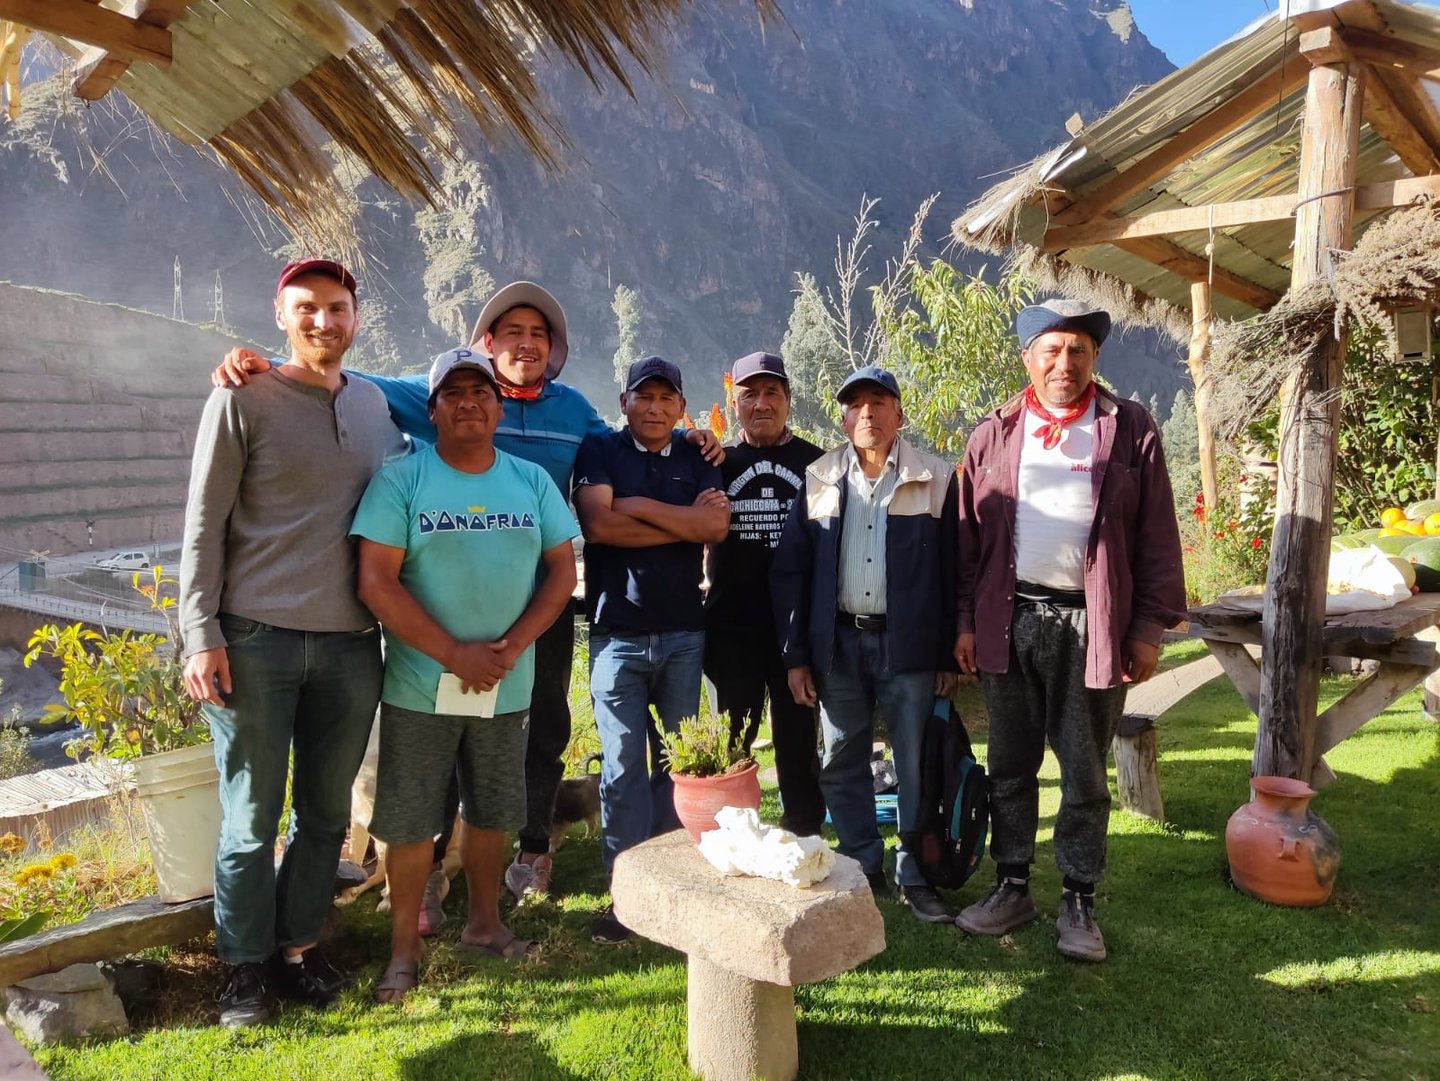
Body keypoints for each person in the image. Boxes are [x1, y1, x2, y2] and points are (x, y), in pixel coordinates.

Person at [211, 282, 720, 904]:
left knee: (543, 727)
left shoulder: (573, 412)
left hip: (540, 606)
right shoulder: (445, 393)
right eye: (513, 333)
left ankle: (533, 849)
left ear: (553, 348)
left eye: (539, 335)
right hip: (441, 609)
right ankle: (429, 866)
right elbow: (342, 376)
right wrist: (265, 362)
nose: (527, 345)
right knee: (438, 735)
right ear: (486, 344)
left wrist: (693, 437)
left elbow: (631, 435)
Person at [180, 259, 407, 1027]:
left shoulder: (375, 404)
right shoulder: (240, 396)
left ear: (355, 317)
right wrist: (200, 633)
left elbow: (459, 402)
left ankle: (300, 948)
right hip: (254, 641)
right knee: (251, 815)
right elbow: (204, 524)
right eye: (306, 307)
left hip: (350, 645)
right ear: (280, 314)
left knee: (324, 813)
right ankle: (244, 967)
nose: (323, 321)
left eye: (337, 307)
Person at [953, 299, 1185, 962]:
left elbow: (1156, 534)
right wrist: (966, 621)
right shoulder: (993, 432)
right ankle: (1013, 884)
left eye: (1078, 349)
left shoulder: (1128, 428)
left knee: (1084, 769)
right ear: (1027, 358)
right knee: (1009, 765)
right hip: (1010, 620)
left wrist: (1147, 628)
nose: (1064, 362)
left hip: (1093, 624)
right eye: (1051, 350)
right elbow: (967, 542)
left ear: (1095, 357)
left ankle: (1079, 896)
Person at [352, 347, 579, 1001]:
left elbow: (562, 572)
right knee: (408, 818)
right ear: (433, 410)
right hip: (420, 686)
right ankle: (404, 949)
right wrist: (454, 653)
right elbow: (376, 582)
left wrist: (513, 646)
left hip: (505, 683)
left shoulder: (531, 481)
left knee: (491, 810)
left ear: (499, 407)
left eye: (481, 392)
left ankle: (485, 924)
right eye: (453, 393)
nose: (469, 402)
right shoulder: (401, 481)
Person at [771, 365, 959, 924]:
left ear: (899, 413)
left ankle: (913, 871)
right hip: (839, 645)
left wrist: (947, 653)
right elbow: (791, 572)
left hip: (909, 647)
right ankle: (861, 865)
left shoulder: (935, 477)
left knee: (914, 760)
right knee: (840, 758)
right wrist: (797, 656)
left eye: (879, 402)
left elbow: (953, 572)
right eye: (856, 404)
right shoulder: (819, 479)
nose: (868, 413)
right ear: (844, 418)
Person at [573, 356, 729, 942]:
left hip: (685, 634)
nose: (656, 408)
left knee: (679, 765)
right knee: (621, 771)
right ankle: (628, 896)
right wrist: (682, 521)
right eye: (645, 397)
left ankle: (675, 886)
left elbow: (714, 530)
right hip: (617, 636)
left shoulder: (698, 455)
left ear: (682, 407)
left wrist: (636, 506)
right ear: (625, 403)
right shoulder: (600, 450)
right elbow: (599, 527)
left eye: (667, 398)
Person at [703, 351, 825, 836]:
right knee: (733, 739)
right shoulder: (718, 463)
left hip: (797, 630)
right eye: (749, 394)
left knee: (798, 739)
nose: (761, 403)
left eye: (772, 392)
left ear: (788, 400)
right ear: (734, 404)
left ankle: (804, 836)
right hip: (733, 628)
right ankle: (733, 835)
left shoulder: (817, 464)